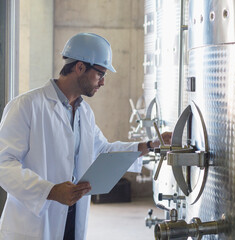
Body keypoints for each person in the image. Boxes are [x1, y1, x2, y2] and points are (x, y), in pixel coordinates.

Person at [0, 33, 171, 240]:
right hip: (34, 223)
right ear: (80, 67)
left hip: (71, 219)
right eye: (100, 74)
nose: (103, 82)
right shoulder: (26, 106)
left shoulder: (84, 113)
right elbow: (4, 164)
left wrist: (151, 144)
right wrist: (50, 191)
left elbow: (102, 151)